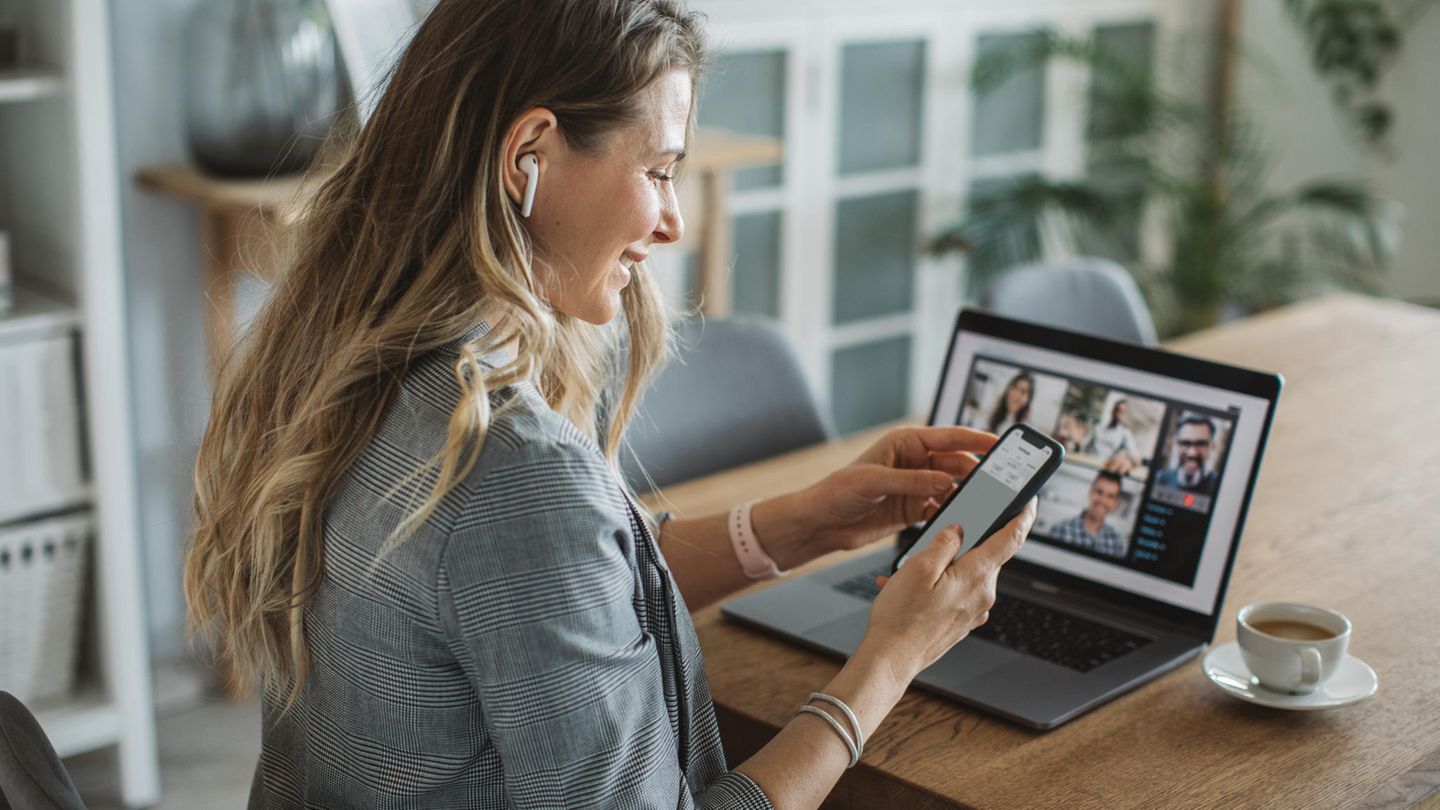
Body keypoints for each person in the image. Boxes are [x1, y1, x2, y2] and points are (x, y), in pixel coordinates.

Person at [183, 2, 1037, 808]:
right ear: (531, 155)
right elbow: (534, 547)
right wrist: (890, 658)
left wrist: (800, 525)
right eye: (659, 171)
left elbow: (544, 605)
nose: (671, 221)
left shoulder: (345, 359)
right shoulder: (510, 468)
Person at [1050, 470, 1128, 559]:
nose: (1103, 500)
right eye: (1099, 492)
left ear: (1115, 502)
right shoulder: (1060, 529)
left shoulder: (1117, 544)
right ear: (1091, 492)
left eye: (1110, 496)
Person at [1154, 415, 1220, 495]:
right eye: (1185, 443)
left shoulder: (1219, 487)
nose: (1192, 453)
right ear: (1175, 444)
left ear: (1212, 446)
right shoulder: (1159, 479)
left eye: (1201, 444)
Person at [1084, 398, 1141, 474]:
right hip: (1088, 466)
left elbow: (1135, 457)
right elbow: (1083, 445)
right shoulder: (1098, 428)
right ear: (1113, 411)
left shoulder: (1124, 434)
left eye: (1123, 412)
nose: (1119, 413)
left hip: (1106, 470)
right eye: (1118, 410)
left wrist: (1126, 460)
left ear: (1125, 415)